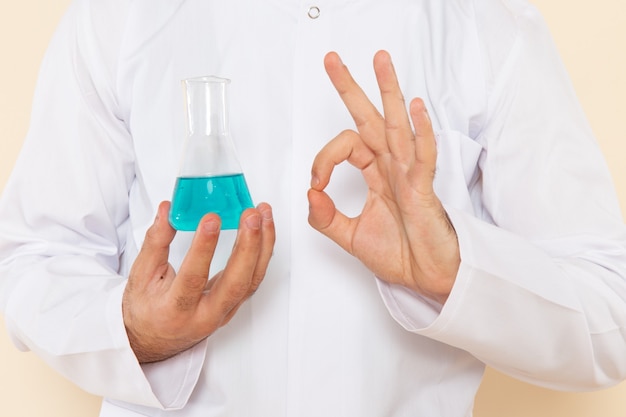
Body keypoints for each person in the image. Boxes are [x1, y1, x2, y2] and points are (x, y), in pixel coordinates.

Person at [1, 0, 626, 416]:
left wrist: (454, 270)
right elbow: (34, 258)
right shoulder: (118, 15)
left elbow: (611, 311)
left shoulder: (485, 20)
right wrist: (135, 333)